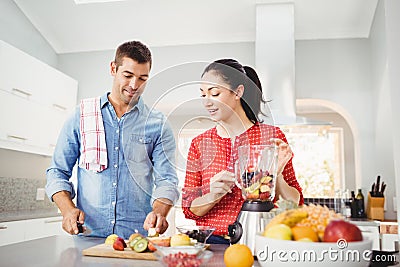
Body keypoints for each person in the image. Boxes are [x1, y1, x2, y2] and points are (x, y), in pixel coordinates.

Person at [46, 41, 179, 239]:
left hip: (136, 239)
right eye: (127, 75)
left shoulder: (158, 124)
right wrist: (67, 210)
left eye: (142, 78)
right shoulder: (81, 115)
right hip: (89, 234)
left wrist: (159, 212)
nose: (134, 85)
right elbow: (57, 172)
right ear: (113, 68)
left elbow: (167, 180)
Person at [182, 59, 303, 244]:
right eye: (203, 95)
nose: (207, 102)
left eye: (214, 93)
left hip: (262, 240)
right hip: (211, 243)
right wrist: (213, 194)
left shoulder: (272, 137)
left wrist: (276, 174)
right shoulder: (200, 144)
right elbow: (189, 209)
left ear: (238, 92)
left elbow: (295, 203)